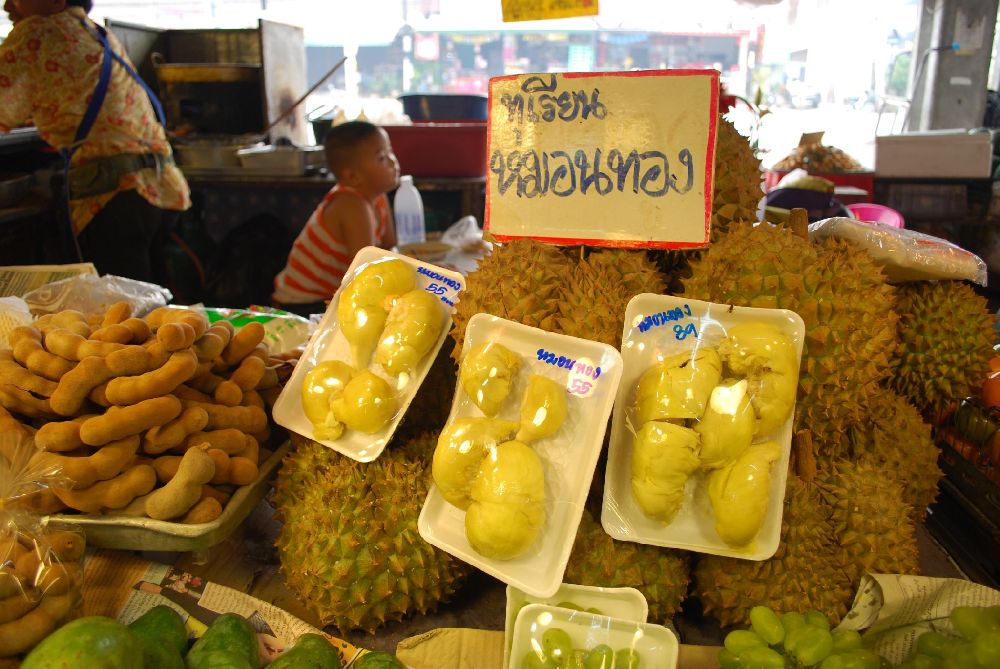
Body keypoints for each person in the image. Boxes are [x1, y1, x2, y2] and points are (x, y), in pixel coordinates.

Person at [0, 0, 190, 283]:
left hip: (112, 199)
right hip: (159, 187)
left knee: (122, 318)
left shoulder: (37, 32)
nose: (7, 5)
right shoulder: (94, 32)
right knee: (154, 312)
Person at [272, 120, 399, 316]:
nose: (393, 161)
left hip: (333, 293)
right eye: (382, 158)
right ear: (353, 177)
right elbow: (366, 270)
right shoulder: (350, 204)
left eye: (389, 151)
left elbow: (390, 247)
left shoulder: (377, 195)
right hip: (302, 305)